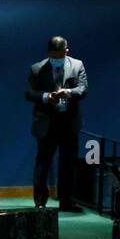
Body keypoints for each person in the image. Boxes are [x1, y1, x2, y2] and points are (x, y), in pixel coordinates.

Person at [25, 36, 88, 212]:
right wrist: (46, 97)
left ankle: (66, 201)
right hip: (46, 123)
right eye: (54, 55)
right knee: (43, 163)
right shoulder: (37, 68)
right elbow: (30, 93)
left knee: (68, 164)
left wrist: (67, 92)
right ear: (49, 53)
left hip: (69, 122)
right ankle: (40, 202)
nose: (58, 58)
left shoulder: (77, 65)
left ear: (66, 51)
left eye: (61, 54)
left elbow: (83, 89)